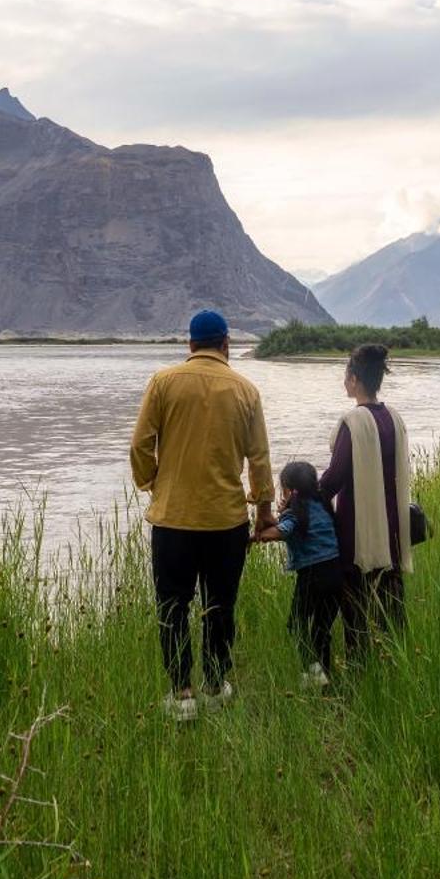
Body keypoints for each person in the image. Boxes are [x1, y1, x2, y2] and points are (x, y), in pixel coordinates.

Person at [129, 309, 274, 721]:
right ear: (226, 344)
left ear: (190, 346)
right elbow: (260, 460)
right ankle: (215, 684)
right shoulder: (246, 390)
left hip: (172, 521)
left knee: (172, 605)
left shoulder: (163, 382)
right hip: (227, 522)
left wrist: (154, 485)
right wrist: (263, 511)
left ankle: (183, 694)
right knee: (220, 605)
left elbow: (140, 445)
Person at [317, 343, 411, 658]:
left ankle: (360, 667)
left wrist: (303, 498)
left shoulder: (354, 421)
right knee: (390, 596)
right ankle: (398, 659)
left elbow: (335, 477)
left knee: (355, 601)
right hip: (393, 523)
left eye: (346, 376)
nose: (344, 381)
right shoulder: (393, 417)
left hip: (358, 526)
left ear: (355, 379)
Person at [254, 460, 344, 688]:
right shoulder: (323, 504)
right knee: (321, 627)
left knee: (296, 624)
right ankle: (324, 674)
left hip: (313, 574)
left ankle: (312, 671)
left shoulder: (296, 512)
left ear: (289, 489)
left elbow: (282, 531)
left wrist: (253, 538)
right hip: (336, 572)